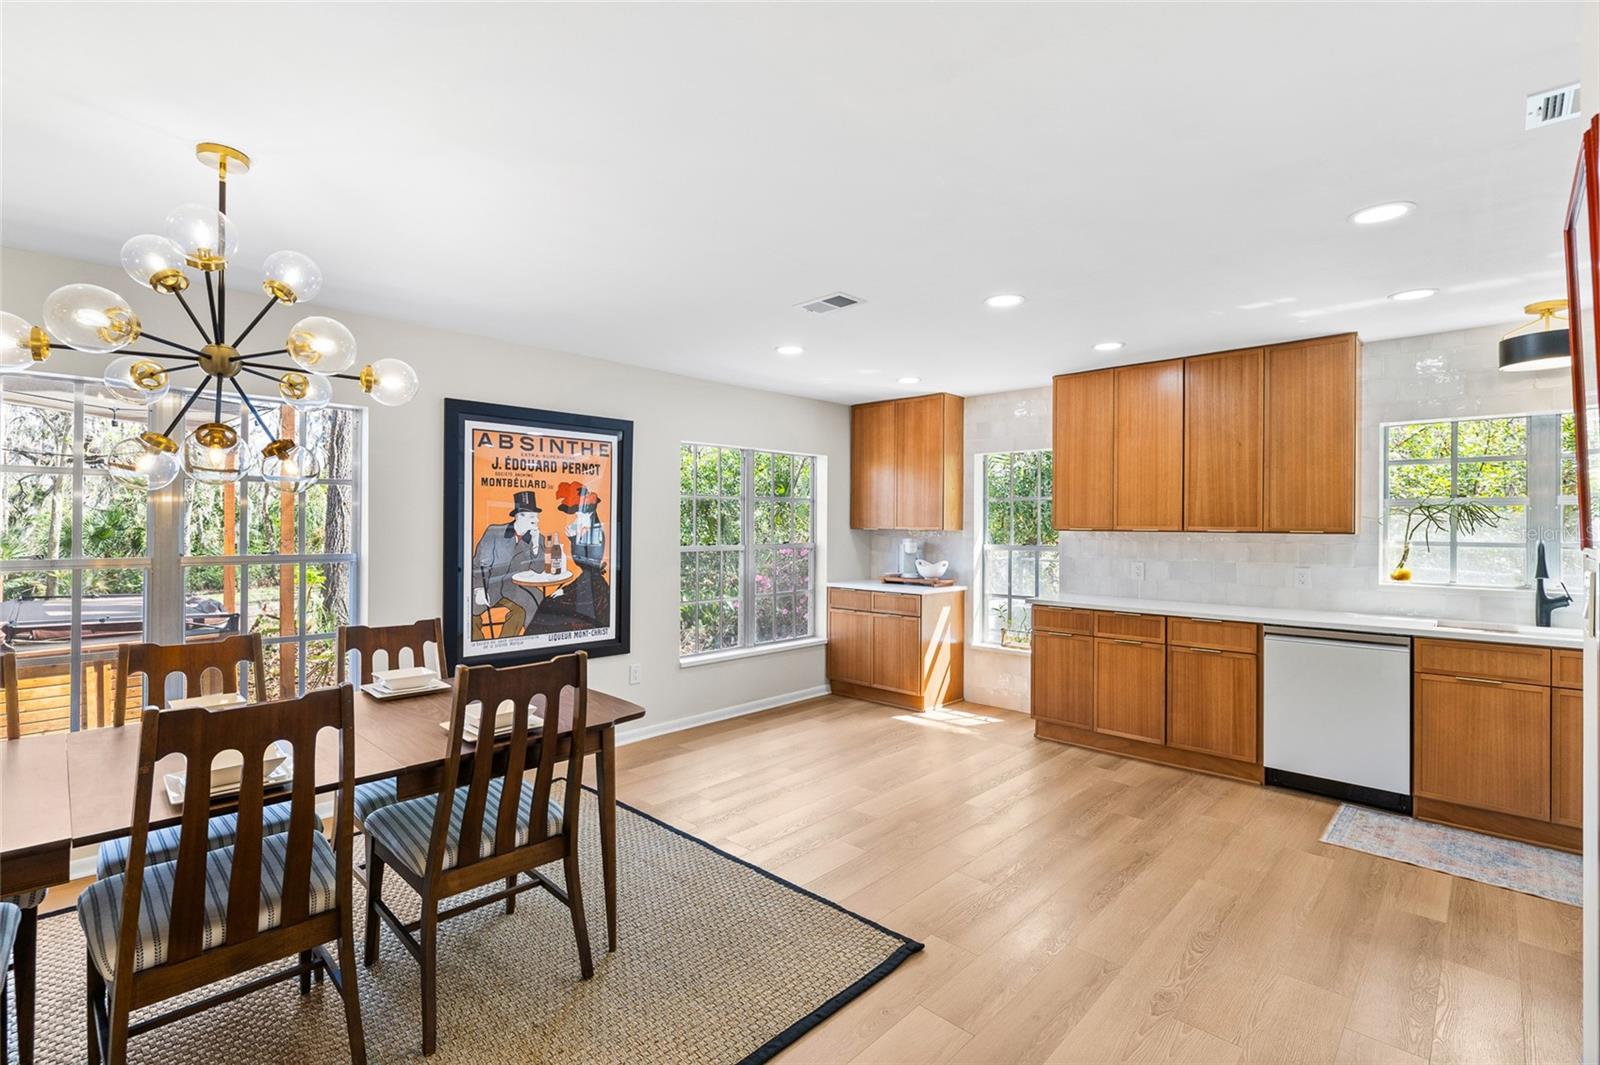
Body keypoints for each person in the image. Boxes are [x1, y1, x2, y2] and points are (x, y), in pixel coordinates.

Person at [471, 490, 545, 638]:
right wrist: (478, 588)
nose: (536, 521)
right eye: (532, 517)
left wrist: (536, 545)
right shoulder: (494, 532)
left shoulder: (537, 538)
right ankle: (481, 649)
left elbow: (539, 570)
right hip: (490, 586)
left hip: (517, 590)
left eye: (536, 517)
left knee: (531, 609)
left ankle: (507, 644)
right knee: (468, 615)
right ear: (519, 516)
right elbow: (479, 564)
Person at [551, 481, 610, 627]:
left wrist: (565, 590)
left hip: (593, 591)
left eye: (579, 512)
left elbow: (589, 568)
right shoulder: (582, 532)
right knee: (549, 603)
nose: (576, 515)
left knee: (551, 606)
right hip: (584, 585)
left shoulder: (595, 533)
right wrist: (573, 538)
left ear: (589, 512)